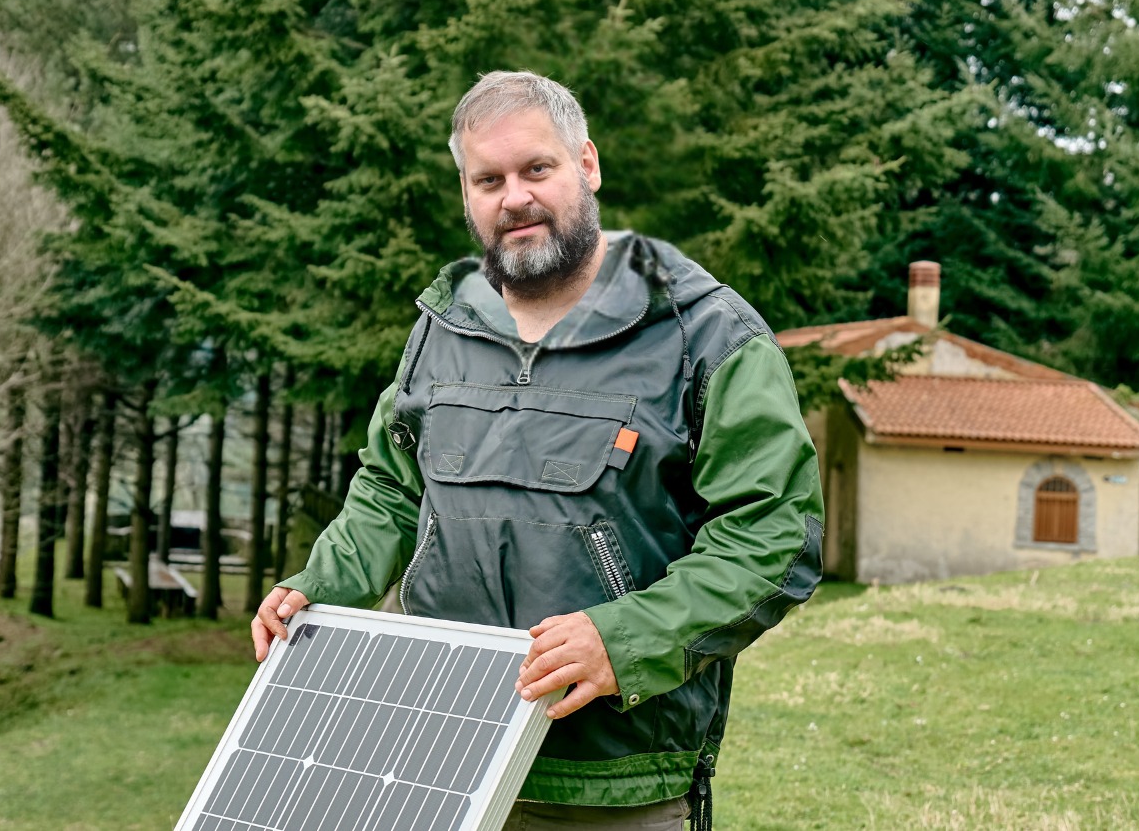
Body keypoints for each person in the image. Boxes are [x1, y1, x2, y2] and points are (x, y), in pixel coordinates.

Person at [252, 70, 823, 830]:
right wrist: (320, 586)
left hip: (614, 782)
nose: (513, 197)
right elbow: (394, 488)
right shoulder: (444, 327)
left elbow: (775, 537)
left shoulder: (707, 334)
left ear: (587, 165)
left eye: (536, 169)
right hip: (434, 756)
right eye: (488, 179)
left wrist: (624, 639)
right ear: (467, 196)